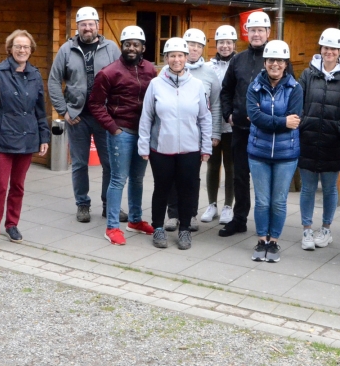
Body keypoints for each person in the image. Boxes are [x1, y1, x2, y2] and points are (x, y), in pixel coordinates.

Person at [220, 11, 292, 237]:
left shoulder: (278, 57)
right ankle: (239, 218)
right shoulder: (238, 60)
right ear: (246, 32)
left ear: (268, 32)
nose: (257, 34)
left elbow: (290, 91)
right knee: (240, 175)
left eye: (261, 30)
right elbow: (226, 91)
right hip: (241, 130)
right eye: (253, 30)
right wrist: (228, 114)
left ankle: (270, 222)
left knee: (268, 180)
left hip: (269, 132)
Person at [0, 30, 50, 252]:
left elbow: (40, 110)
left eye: (26, 47)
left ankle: (12, 224)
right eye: (18, 46)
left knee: (18, 186)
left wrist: (44, 136)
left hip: (28, 138)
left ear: (31, 50)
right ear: (10, 48)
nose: (22, 50)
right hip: (2, 138)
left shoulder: (36, 75)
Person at [48, 6, 122, 224]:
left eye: (91, 24)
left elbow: (121, 78)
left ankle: (110, 205)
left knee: (109, 163)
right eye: (83, 24)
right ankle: (82, 204)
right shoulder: (66, 49)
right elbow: (53, 81)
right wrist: (63, 111)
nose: (88, 28)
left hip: (103, 116)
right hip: (77, 116)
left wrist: (115, 111)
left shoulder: (111, 48)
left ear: (97, 25)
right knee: (80, 163)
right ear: (78, 27)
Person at [139, 37, 212, 250]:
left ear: (186, 58)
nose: (176, 60)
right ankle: (158, 228)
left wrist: (206, 146)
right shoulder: (155, 84)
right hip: (162, 148)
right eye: (172, 56)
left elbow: (204, 118)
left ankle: (185, 230)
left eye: (180, 55)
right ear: (166, 59)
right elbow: (146, 117)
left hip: (190, 149)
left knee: (187, 189)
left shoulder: (197, 85)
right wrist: (144, 146)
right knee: (161, 188)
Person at [87, 26, 156, 246]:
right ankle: (112, 226)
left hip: (143, 133)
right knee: (118, 179)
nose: (132, 48)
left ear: (143, 47)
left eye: (136, 44)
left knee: (137, 179)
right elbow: (95, 104)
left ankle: (135, 220)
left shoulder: (150, 70)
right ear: (122, 47)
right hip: (122, 132)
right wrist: (112, 128)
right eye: (128, 44)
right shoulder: (109, 72)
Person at [298, 28, 340, 251]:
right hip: (308, 138)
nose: (329, 52)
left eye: (333, 48)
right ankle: (307, 229)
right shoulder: (308, 74)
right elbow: (298, 101)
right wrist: (304, 123)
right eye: (326, 47)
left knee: (329, 188)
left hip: (334, 141)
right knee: (307, 188)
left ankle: (325, 229)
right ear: (321, 48)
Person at [246, 40, 303, 263]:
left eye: (279, 60)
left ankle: (274, 242)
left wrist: (264, 119)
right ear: (265, 62)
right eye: (271, 60)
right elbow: (254, 116)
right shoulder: (254, 87)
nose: (275, 64)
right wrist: (281, 121)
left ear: (286, 63)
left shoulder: (295, 88)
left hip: (285, 155)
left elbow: (295, 119)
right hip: (258, 153)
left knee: (278, 201)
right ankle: (262, 241)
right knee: (262, 201)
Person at [205, 25, 238, 225]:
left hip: (232, 125)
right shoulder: (209, 67)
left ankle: (228, 206)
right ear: (216, 45)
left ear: (234, 44)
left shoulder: (238, 63)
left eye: (228, 43)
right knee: (212, 164)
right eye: (221, 43)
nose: (225, 46)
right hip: (212, 124)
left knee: (231, 166)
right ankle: (211, 204)